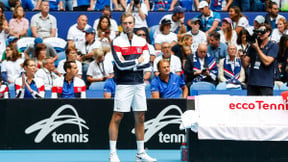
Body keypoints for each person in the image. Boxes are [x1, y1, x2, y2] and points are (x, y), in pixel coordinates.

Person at [108, 12, 156, 162]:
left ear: (134, 24)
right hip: (123, 84)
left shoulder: (142, 42)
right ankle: (113, 154)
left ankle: (140, 153)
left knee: (140, 117)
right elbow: (120, 65)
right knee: (117, 116)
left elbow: (148, 63)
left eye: (130, 23)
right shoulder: (116, 42)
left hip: (139, 84)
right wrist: (137, 62)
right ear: (122, 25)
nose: (128, 26)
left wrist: (133, 64)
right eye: (125, 23)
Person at [240, 24, 278, 96]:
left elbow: (267, 62)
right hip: (252, 83)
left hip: (265, 84)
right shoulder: (253, 45)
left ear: (268, 32)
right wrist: (242, 57)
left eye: (262, 31)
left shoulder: (273, 45)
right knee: (252, 106)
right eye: (258, 32)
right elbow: (246, 65)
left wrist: (257, 48)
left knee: (265, 106)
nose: (260, 34)